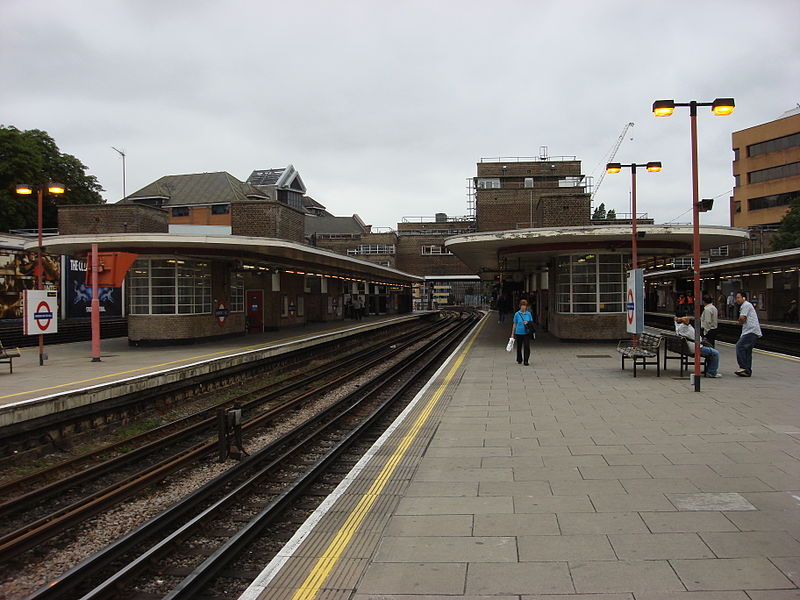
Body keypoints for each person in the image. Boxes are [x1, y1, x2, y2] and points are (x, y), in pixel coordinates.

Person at [734, 291, 762, 377]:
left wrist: (739, 322)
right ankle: (747, 370)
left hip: (750, 330)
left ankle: (743, 368)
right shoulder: (747, 305)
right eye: (736, 298)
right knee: (747, 351)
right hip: (753, 331)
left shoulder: (745, 305)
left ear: (744, 298)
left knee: (739, 346)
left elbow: (742, 318)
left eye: (738, 297)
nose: (737, 299)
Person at [510, 298, 533, 366]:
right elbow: (514, 324)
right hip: (518, 332)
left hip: (526, 333)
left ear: (526, 306)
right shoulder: (517, 314)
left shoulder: (529, 314)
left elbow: (531, 323)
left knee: (526, 346)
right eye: (522, 305)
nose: (523, 307)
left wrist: (527, 322)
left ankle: (526, 360)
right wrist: (512, 334)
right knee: (519, 346)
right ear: (520, 306)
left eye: (525, 305)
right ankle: (519, 359)